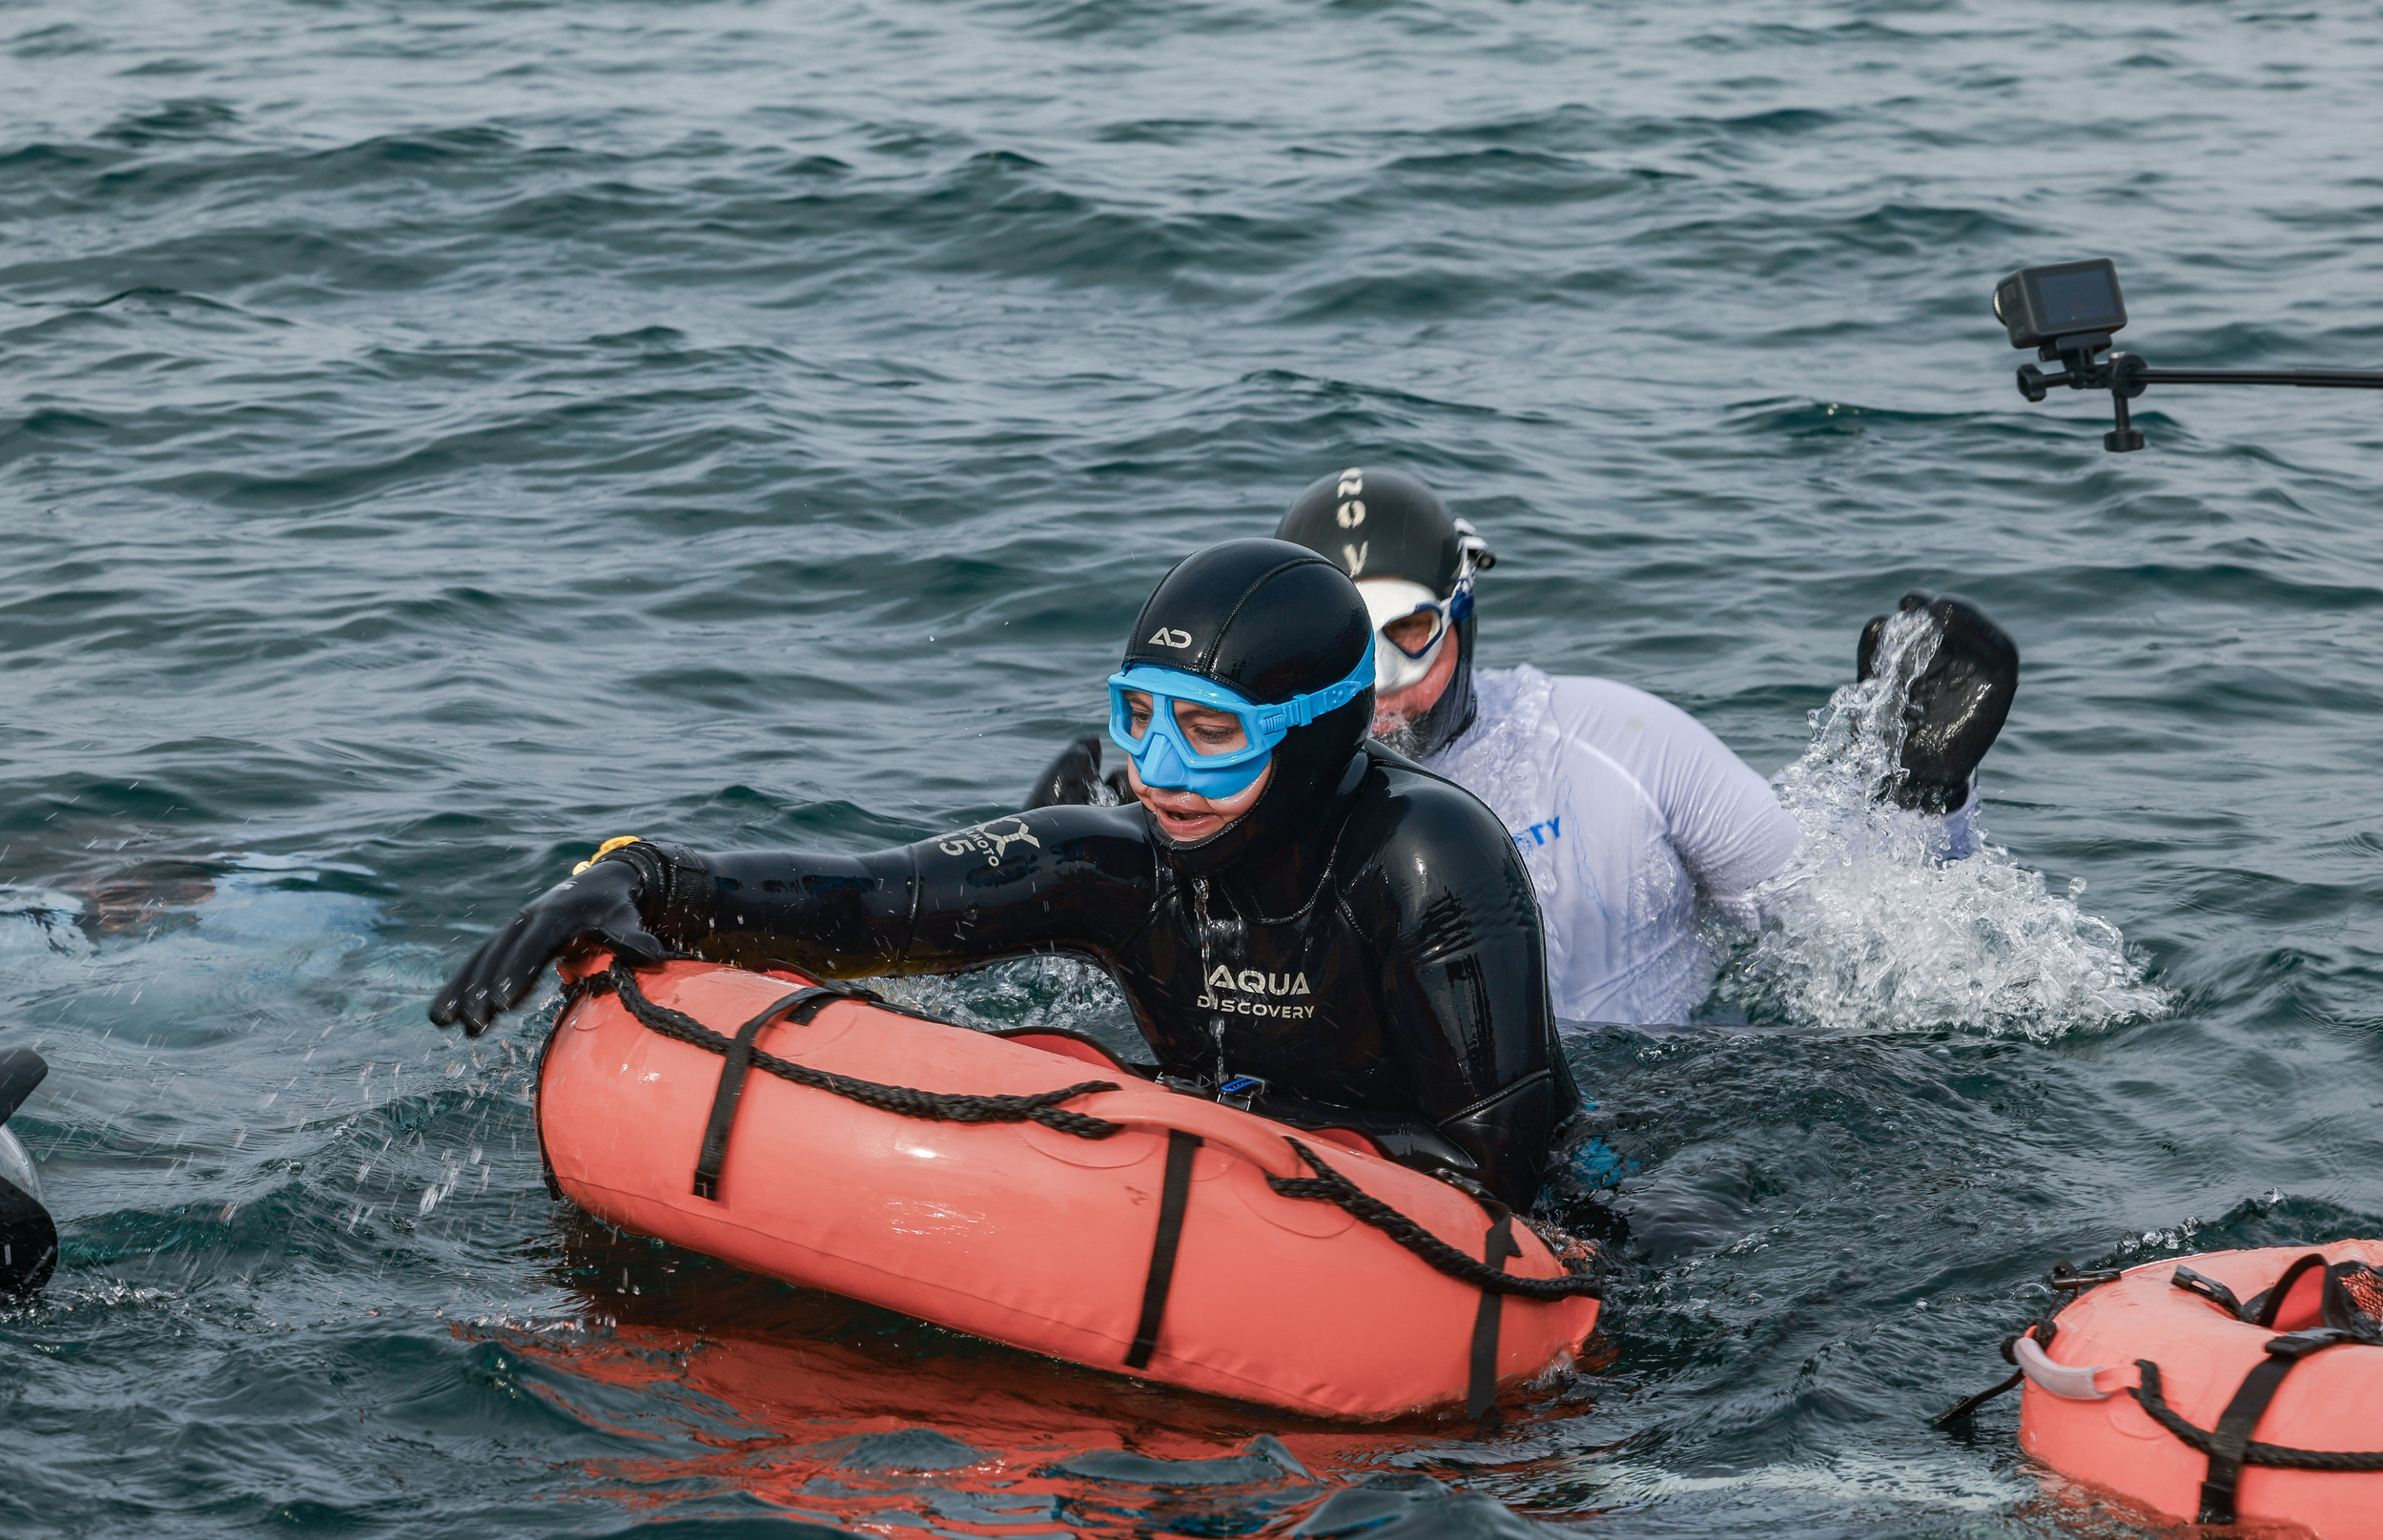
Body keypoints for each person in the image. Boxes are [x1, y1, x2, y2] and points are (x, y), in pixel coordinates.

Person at [433, 539, 1572, 1210]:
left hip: (1538, 1219)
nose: (1159, 772)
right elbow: (873, 900)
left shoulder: (1426, 858)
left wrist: (1202, 1113)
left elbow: (1497, 1167)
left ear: (1321, 732)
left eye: (1211, 733)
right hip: (1229, 1179)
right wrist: (637, 875)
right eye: (1137, 717)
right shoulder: (1123, 861)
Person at [1030, 470, 2018, 1027]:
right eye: (1340, 649)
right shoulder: (1218, 784)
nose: (1377, 690)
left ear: (1463, 611)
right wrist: (1076, 877)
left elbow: (1861, 936)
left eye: (1408, 635)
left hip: (1657, 1107)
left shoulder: (1618, 744)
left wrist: (1921, 790)